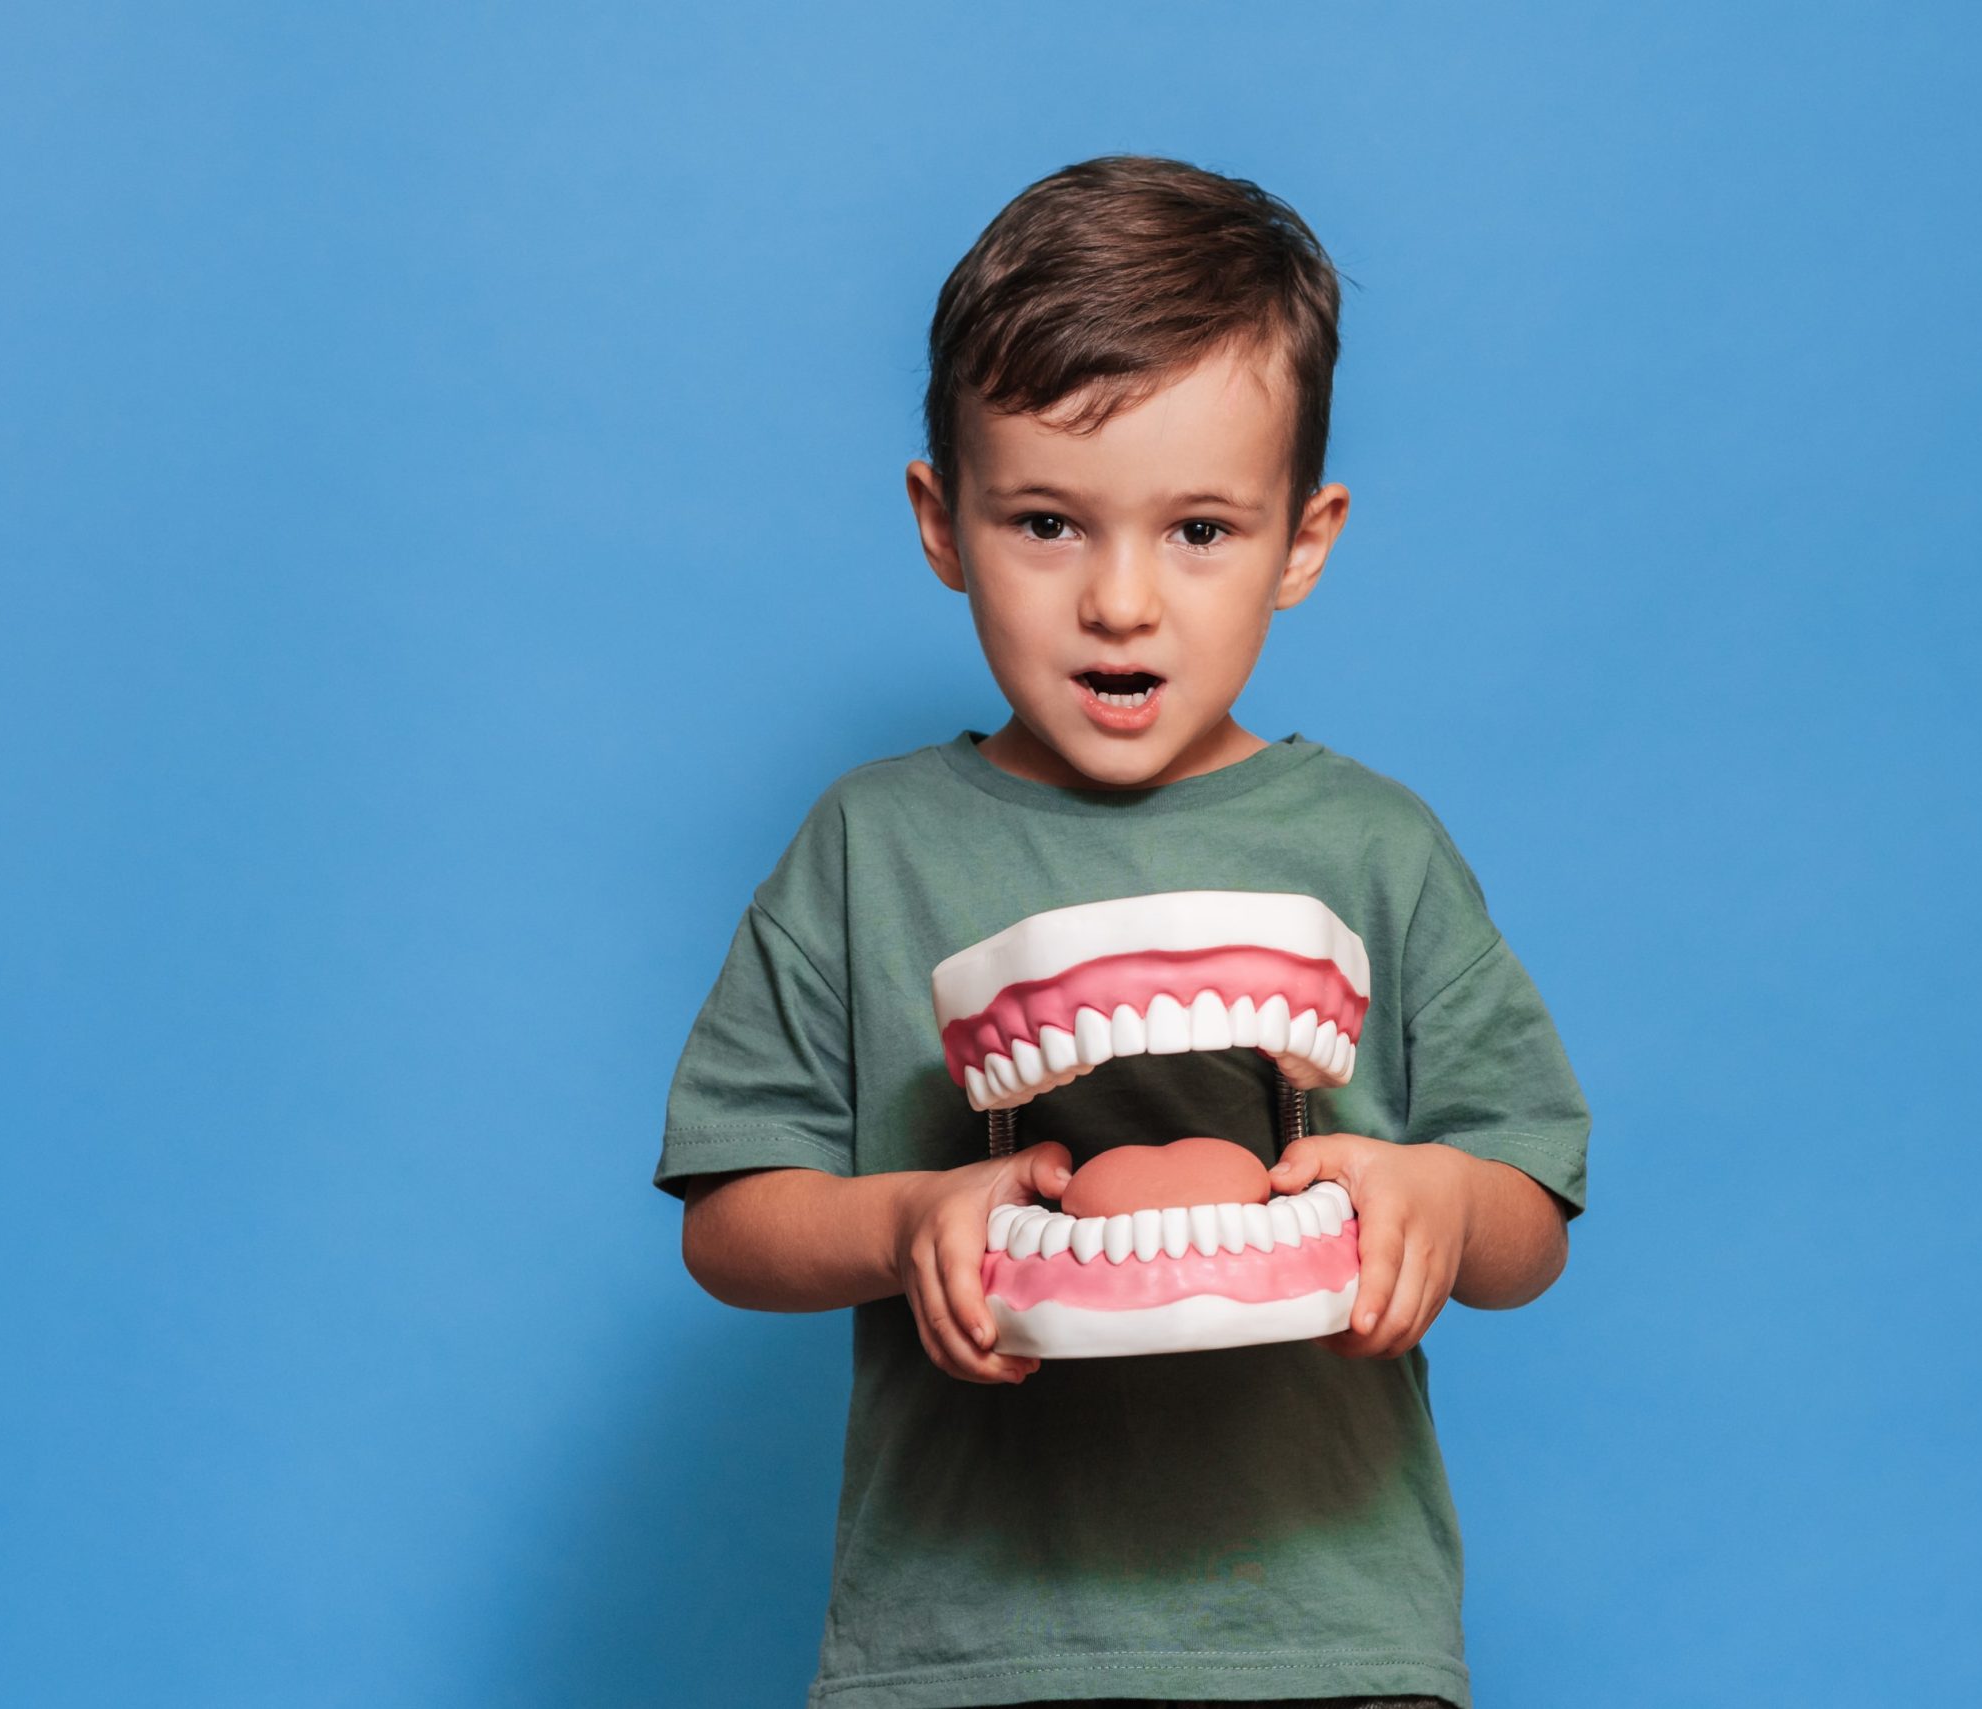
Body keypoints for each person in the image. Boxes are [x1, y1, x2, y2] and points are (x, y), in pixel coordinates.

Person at [659, 154, 1590, 1709]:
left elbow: (1530, 1221)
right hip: (961, 1658)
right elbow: (727, 1222)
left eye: (1202, 531)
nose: (1121, 600)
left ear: (1306, 538)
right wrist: (903, 1225)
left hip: (1329, 1654)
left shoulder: (1382, 847)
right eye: (1047, 521)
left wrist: (1438, 1197)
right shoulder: (866, 846)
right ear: (941, 517)